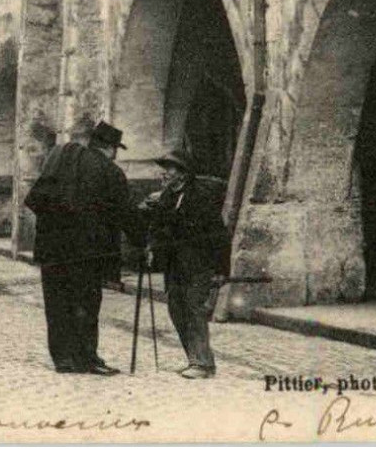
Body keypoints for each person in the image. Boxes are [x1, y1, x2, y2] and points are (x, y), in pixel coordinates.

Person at [23, 120, 135, 375]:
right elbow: (126, 215)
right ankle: (86, 357)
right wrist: (143, 241)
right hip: (88, 254)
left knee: (56, 302)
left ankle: (63, 358)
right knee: (85, 303)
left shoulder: (63, 158)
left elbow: (37, 199)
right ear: (112, 149)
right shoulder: (112, 173)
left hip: (53, 248)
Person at [139, 148, 231, 379]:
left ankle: (203, 363)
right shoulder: (167, 197)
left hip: (199, 264)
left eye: (168, 170)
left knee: (193, 309)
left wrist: (221, 270)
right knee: (176, 309)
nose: (164, 175)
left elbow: (219, 235)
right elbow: (158, 228)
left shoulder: (200, 197)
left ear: (182, 173)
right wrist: (151, 246)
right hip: (174, 265)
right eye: (164, 170)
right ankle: (194, 358)